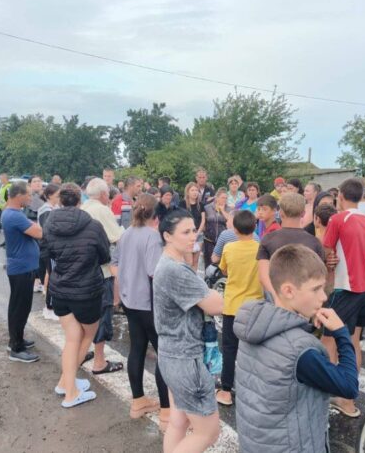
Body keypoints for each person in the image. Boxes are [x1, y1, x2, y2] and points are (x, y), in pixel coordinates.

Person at [235, 244, 358, 452]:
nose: (324, 297)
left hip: (258, 442)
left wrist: (305, 326)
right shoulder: (301, 352)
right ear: (288, 290)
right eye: (316, 289)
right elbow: (348, 386)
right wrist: (341, 332)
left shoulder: (256, 326)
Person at [153, 210, 223, 452]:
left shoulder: (170, 263)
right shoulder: (174, 269)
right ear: (167, 236)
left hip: (172, 354)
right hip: (186, 359)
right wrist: (212, 293)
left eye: (194, 230)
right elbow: (216, 305)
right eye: (185, 232)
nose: (193, 235)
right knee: (208, 433)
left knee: (179, 421)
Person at [43, 183, 110, 408]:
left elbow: (47, 253)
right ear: (80, 200)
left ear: (60, 200)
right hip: (87, 290)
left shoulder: (49, 223)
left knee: (72, 338)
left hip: (60, 289)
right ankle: (70, 392)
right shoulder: (93, 225)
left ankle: (66, 383)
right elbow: (104, 256)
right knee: (86, 336)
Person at [111, 194, 170, 429]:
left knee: (137, 348)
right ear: (156, 215)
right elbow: (155, 273)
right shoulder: (152, 237)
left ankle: (138, 401)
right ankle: (166, 410)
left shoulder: (127, 233)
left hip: (130, 300)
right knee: (163, 353)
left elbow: (116, 264)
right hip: (148, 302)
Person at [321, 178, 365, 418]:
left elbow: (326, 250)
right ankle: (348, 399)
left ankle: (327, 395)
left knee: (328, 341)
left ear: (340, 196)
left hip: (345, 287)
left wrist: (329, 259)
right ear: (361, 197)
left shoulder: (337, 219)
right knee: (353, 342)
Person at [215, 210, 263, 406]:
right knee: (254, 350)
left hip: (233, 305)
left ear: (234, 229)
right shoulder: (261, 248)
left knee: (229, 349)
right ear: (255, 227)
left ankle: (226, 391)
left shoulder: (229, 248)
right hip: (255, 306)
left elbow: (224, 269)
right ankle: (253, 390)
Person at [82, 178, 124, 375]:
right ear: (103, 194)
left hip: (82, 271)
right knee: (102, 314)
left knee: (86, 315)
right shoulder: (102, 210)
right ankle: (99, 361)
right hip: (101, 270)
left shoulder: (82, 208)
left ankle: (83, 352)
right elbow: (118, 237)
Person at [1, 181, 43, 363]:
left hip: (22, 267)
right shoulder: (14, 215)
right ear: (18, 195)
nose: (31, 198)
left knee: (19, 306)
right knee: (20, 308)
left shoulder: (12, 213)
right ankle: (16, 348)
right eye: (28, 195)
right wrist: (35, 225)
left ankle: (16, 340)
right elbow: (39, 233)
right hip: (22, 268)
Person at [257, 193, 325, 304]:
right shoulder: (314, 242)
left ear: (281, 213)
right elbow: (319, 276)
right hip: (304, 300)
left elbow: (263, 276)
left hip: (275, 299)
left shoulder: (268, 239)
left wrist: (277, 297)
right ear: (303, 213)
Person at [37, 184, 61, 321]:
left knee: (53, 276)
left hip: (54, 247)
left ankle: (53, 305)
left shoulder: (55, 208)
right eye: (57, 195)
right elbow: (48, 231)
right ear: (50, 196)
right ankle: (49, 308)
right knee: (52, 277)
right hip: (49, 248)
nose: (59, 197)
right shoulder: (46, 210)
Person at [203, 188, 231, 268]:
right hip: (209, 240)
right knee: (208, 264)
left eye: (226, 198)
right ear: (217, 198)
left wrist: (222, 210)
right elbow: (204, 221)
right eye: (222, 198)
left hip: (223, 240)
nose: (224, 200)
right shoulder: (207, 208)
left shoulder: (228, 209)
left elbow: (231, 221)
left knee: (222, 264)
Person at [180, 182, 206, 269]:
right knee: (188, 261)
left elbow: (203, 220)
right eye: (192, 190)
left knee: (195, 261)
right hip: (187, 234)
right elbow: (181, 219)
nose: (195, 192)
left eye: (196, 190)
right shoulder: (182, 204)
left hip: (198, 234)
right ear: (187, 192)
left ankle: (194, 276)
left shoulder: (201, 205)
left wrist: (197, 233)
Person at [0, 173, 12, 248]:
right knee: (4, 227)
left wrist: (5, 207)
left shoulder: (9, 187)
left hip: (7, 209)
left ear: (5, 179)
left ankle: (9, 243)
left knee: (8, 227)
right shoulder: (3, 186)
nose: (0, 180)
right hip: (3, 209)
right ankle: (5, 241)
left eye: (1, 179)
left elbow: (9, 198)